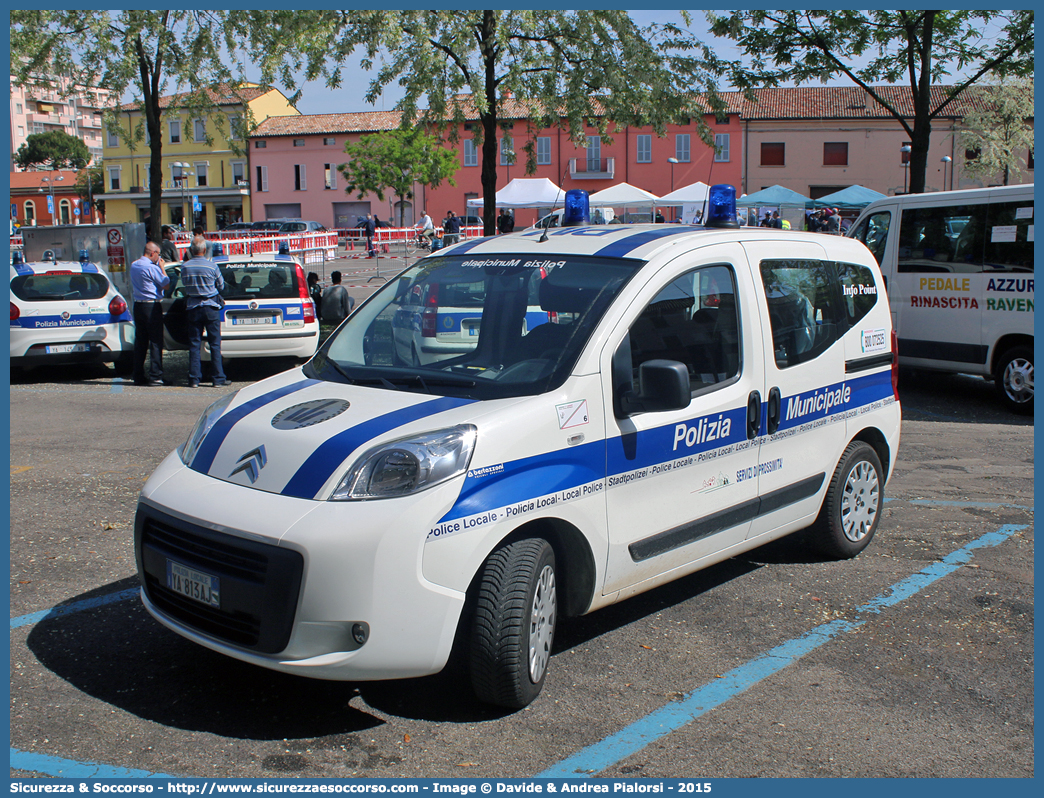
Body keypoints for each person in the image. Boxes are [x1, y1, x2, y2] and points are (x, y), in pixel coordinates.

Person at [181, 236, 229, 388]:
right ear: (204, 250)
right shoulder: (212, 266)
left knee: (194, 344)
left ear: (191, 250)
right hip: (210, 307)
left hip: (193, 307)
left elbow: (184, 284)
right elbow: (221, 286)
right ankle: (218, 378)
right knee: (215, 344)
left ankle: (194, 379)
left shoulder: (186, 267)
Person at [129, 241, 170, 387]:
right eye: (158, 254)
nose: (158, 257)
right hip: (151, 305)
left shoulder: (134, 265)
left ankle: (138, 375)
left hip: (138, 305)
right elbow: (165, 283)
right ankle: (155, 376)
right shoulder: (152, 268)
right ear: (152, 253)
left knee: (140, 342)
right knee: (155, 342)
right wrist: (162, 268)